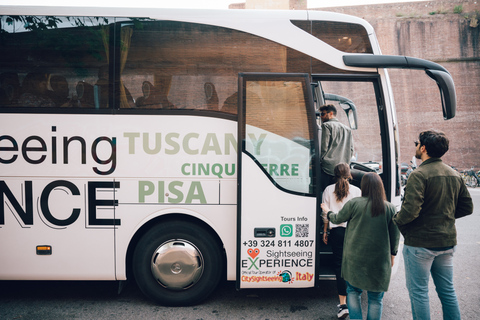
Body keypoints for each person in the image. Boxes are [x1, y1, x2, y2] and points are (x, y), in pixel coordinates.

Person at [393, 130, 473, 320]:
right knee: (447, 291)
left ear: (424, 148)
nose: (415, 146)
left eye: (416, 143)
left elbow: (410, 211)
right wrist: (444, 217)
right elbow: (467, 207)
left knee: (419, 293)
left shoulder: (418, 175)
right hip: (446, 242)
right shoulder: (454, 174)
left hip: (421, 243)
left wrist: (396, 220)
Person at [321, 172, 400, 320]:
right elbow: (395, 236)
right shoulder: (390, 208)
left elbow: (337, 219)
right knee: (376, 299)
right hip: (379, 261)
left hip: (354, 259)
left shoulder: (354, 204)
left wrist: (328, 211)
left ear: (364, 187)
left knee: (353, 292)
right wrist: (392, 255)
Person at [322, 163, 361, 319]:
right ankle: (354, 301)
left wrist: (325, 231)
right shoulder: (357, 191)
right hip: (353, 231)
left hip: (336, 232)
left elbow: (325, 214)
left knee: (339, 266)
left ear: (334, 174)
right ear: (350, 174)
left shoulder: (328, 190)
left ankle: (343, 305)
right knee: (352, 265)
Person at [319, 104, 354, 191]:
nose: (321, 117)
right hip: (343, 169)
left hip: (328, 168)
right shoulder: (347, 129)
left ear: (330, 113)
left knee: (327, 192)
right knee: (341, 192)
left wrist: (320, 161)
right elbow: (351, 149)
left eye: (322, 114)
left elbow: (323, 147)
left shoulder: (326, 126)